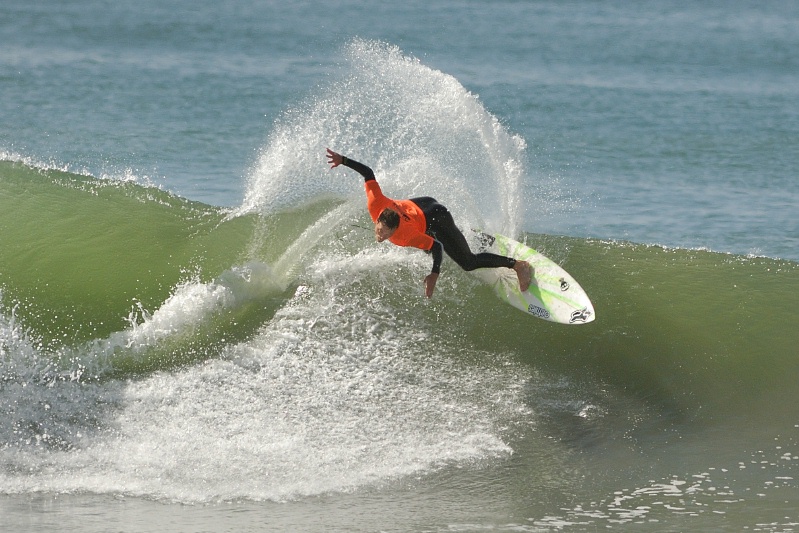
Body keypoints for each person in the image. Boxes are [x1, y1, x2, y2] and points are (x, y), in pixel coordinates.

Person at [326, 148, 532, 298]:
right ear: (378, 218)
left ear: (396, 229)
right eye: (381, 231)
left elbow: (436, 248)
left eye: (386, 234)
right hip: (422, 203)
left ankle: (517, 265)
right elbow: (368, 172)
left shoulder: (406, 235)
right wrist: (342, 160)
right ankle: (474, 236)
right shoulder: (376, 202)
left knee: (468, 262)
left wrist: (434, 274)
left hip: (437, 217)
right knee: (436, 239)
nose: (381, 237)